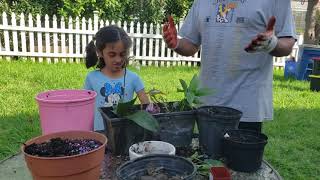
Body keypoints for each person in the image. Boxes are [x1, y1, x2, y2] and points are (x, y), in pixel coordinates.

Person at [162, 0, 296, 133]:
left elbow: (287, 43)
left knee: (241, 154)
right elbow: (191, 45)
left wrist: (272, 43)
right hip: (207, 104)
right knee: (206, 152)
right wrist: (176, 44)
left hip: (247, 105)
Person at [84, 25, 150, 131]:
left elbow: (146, 105)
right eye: (112, 55)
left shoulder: (133, 78)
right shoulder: (91, 78)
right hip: (100, 134)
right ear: (100, 53)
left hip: (126, 132)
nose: (118, 59)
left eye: (122, 54)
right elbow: (84, 108)